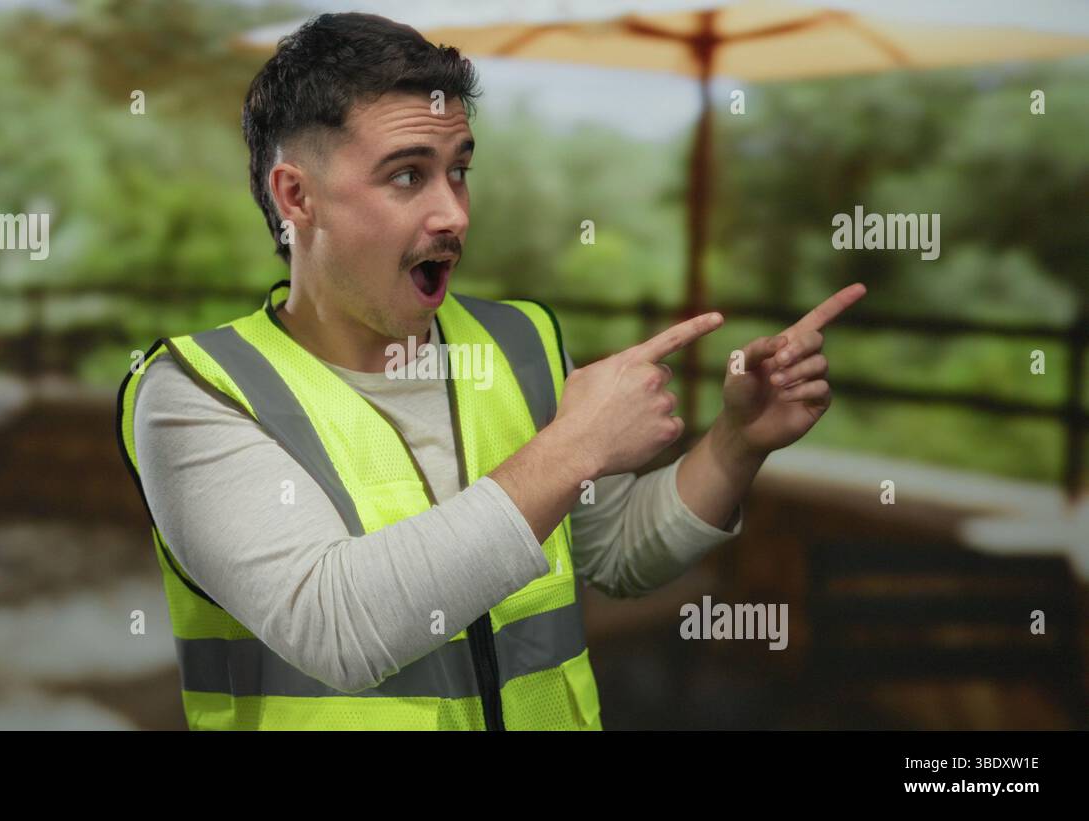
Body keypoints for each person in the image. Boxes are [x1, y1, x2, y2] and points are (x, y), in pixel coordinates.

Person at [116, 12, 866, 730]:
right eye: (408, 176)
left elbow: (612, 555)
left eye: (459, 170)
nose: (454, 214)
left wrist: (737, 442)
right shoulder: (195, 392)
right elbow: (336, 625)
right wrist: (576, 446)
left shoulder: (522, 342)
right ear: (296, 196)